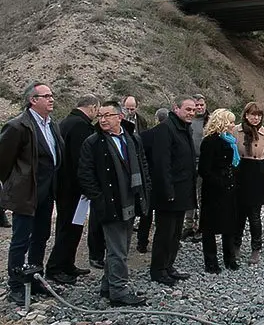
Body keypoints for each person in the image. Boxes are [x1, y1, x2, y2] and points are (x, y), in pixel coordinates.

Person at [78, 100, 150, 307]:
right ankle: (119, 291)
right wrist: (99, 199)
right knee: (118, 249)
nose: (103, 119)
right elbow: (85, 175)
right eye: (100, 115)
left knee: (120, 247)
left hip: (131, 200)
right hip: (110, 203)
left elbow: (143, 166)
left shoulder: (132, 139)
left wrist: (146, 191)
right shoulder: (93, 142)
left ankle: (108, 286)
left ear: (120, 117)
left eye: (107, 115)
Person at [0, 82, 64, 306]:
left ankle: (36, 278)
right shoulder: (17, 126)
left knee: (41, 237)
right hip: (26, 194)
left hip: (47, 193)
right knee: (21, 240)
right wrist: (17, 184)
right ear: (32, 100)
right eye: (46, 96)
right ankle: (16, 285)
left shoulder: (52, 125)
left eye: (51, 95)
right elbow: (3, 163)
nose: (51, 99)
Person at [45, 94, 100, 284]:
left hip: (63, 184)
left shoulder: (65, 122)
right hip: (73, 187)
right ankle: (55, 267)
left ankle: (68, 263)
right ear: (92, 107)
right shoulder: (81, 126)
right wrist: (88, 185)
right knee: (68, 227)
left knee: (72, 226)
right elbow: (82, 160)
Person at [149, 96, 197, 286]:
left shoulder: (185, 129)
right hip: (169, 193)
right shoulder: (165, 129)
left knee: (175, 233)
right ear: (176, 108)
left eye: (193, 110)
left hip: (183, 190)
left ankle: (169, 266)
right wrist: (167, 191)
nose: (191, 113)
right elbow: (162, 164)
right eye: (188, 109)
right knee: (164, 233)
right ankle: (158, 270)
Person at [232, 102, 264, 265]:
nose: (256, 118)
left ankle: (256, 248)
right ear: (246, 115)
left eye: (258, 115)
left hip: (257, 174)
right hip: (240, 172)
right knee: (238, 215)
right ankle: (235, 246)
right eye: (252, 114)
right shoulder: (236, 130)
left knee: (255, 216)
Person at [198, 109, 239, 273]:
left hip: (229, 187)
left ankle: (230, 258)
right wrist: (220, 182)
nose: (233, 125)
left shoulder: (231, 142)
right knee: (209, 227)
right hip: (214, 190)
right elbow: (204, 169)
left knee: (229, 224)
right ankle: (211, 261)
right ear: (221, 122)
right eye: (230, 122)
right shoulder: (210, 141)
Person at [135, 107, 170, 253]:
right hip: (164, 180)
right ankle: (162, 242)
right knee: (163, 215)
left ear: (156, 119)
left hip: (148, 178)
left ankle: (142, 242)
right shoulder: (170, 136)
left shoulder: (145, 135)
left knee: (146, 214)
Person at [182, 93, 208, 242]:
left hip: (204, 164)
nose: (199, 107)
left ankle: (202, 227)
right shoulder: (187, 121)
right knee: (188, 195)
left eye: (201, 105)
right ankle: (188, 226)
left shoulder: (210, 121)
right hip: (189, 163)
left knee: (202, 196)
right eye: (196, 105)